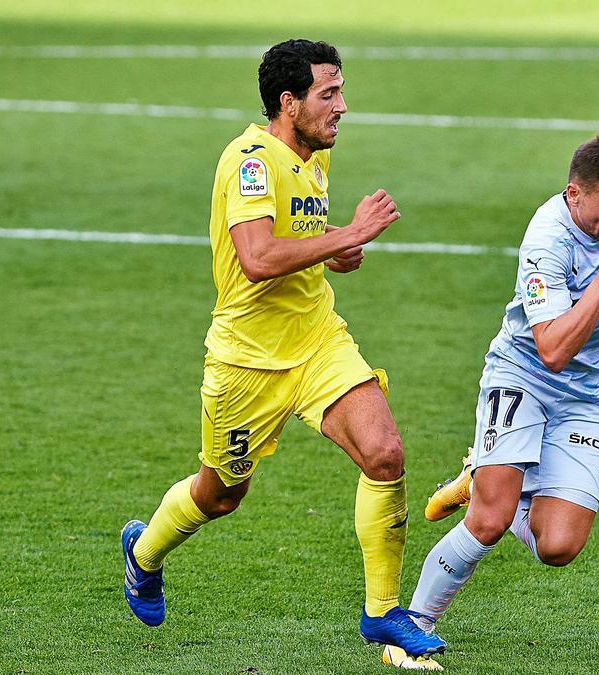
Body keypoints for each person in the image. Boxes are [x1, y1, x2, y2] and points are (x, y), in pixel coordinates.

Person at [119, 39, 444, 663]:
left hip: (318, 341)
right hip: (247, 361)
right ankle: (143, 554)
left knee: (385, 453)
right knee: (221, 495)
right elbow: (258, 257)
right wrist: (349, 232)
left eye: (342, 91)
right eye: (330, 93)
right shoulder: (249, 159)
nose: (343, 106)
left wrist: (335, 247)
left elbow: (296, 238)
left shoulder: (312, 158)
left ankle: (382, 612)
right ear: (289, 103)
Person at [407, 129, 599, 655]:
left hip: (593, 394)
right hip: (525, 374)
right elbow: (552, 349)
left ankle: (483, 471)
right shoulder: (546, 240)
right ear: (574, 194)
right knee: (488, 520)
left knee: (559, 546)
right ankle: (415, 623)